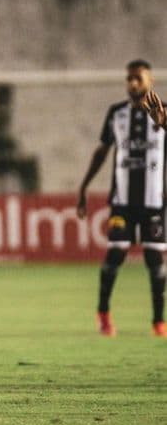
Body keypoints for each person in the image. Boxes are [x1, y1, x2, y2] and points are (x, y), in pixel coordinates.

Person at [78, 59, 167, 337]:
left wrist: (164, 124)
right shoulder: (116, 113)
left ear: (150, 80)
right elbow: (102, 152)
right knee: (115, 255)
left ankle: (158, 321)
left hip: (155, 201)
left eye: (138, 78)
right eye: (129, 78)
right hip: (122, 202)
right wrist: (83, 187)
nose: (133, 83)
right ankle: (103, 314)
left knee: (156, 264)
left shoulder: (165, 112)